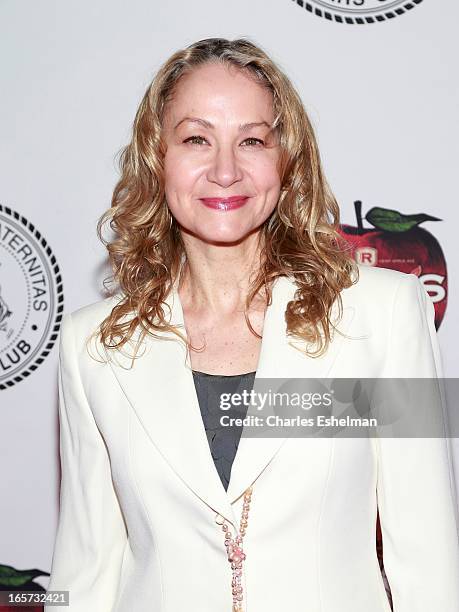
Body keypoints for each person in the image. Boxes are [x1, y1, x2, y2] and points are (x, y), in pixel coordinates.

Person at [45, 37, 459, 612]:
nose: (224, 170)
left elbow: (430, 561)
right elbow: (84, 574)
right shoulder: (94, 345)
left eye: (251, 140)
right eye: (195, 139)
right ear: (155, 157)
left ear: (285, 160)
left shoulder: (383, 315)